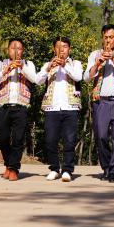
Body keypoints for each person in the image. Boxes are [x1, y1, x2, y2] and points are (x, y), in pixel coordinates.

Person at [84, 24, 114, 183]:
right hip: (101, 101)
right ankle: (106, 167)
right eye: (105, 37)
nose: (108, 40)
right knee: (101, 136)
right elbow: (86, 78)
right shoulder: (95, 54)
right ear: (102, 38)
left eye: (111, 37)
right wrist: (98, 64)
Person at [0, 38, 37, 181]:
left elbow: (35, 79)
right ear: (7, 50)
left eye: (19, 48)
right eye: (13, 48)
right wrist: (6, 70)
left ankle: (14, 168)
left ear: (23, 51)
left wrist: (22, 68)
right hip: (3, 105)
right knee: (3, 138)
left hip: (21, 106)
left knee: (18, 139)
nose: (16, 51)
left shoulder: (28, 64)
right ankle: (8, 164)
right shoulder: (0, 64)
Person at [35, 36, 83, 182]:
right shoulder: (47, 64)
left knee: (69, 140)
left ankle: (67, 170)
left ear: (69, 49)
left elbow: (78, 77)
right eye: (58, 47)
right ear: (54, 49)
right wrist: (49, 67)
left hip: (71, 107)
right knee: (50, 140)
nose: (61, 50)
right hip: (52, 108)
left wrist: (64, 66)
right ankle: (54, 169)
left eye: (65, 47)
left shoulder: (75, 64)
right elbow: (38, 80)